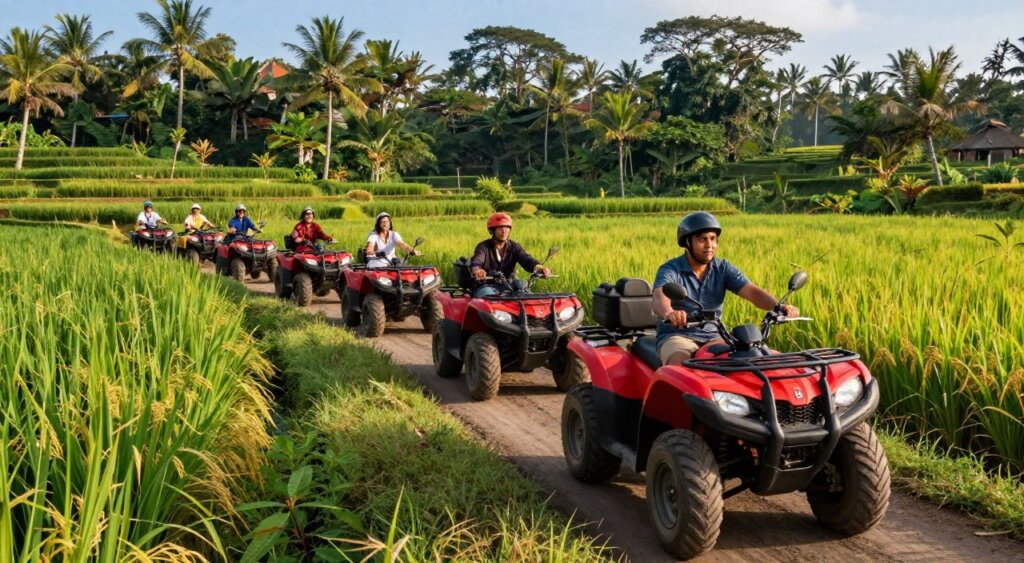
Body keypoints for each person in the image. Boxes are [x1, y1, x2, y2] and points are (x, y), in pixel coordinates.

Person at [652, 211, 799, 365]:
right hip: (678, 336)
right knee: (681, 367)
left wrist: (779, 307)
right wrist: (669, 313)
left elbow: (752, 292)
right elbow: (659, 297)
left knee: (755, 358)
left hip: (715, 336)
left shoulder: (723, 268)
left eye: (713, 239)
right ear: (688, 242)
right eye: (702, 239)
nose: (709, 245)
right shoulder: (671, 269)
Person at [469, 212, 550, 297]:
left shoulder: (514, 246)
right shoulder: (483, 247)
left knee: (528, 295)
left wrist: (539, 268)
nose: (504, 231)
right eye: (500, 228)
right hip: (486, 285)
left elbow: (526, 259)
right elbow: (476, 262)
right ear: (492, 231)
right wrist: (478, 271)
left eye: (507, 228)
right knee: (489, 297)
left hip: (509, 286)